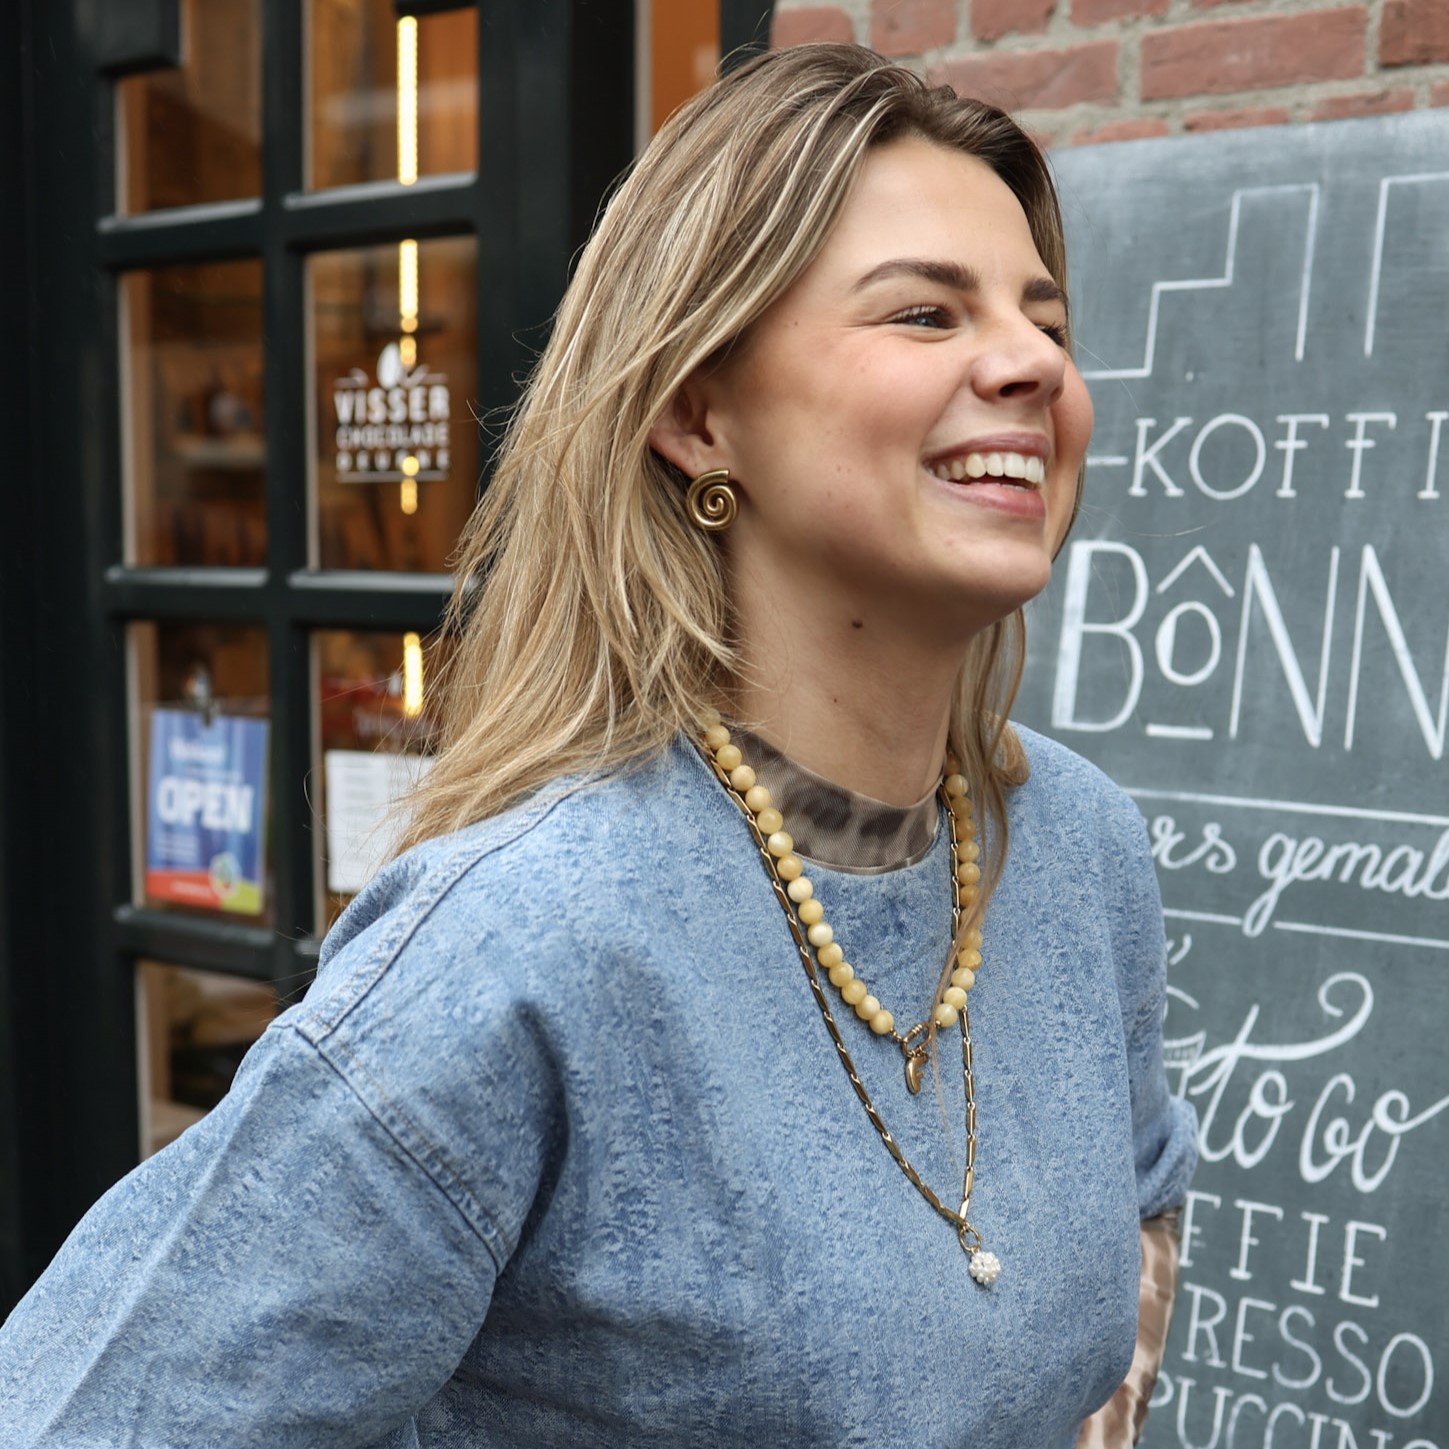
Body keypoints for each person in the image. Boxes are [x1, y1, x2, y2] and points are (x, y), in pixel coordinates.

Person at [0, 43, 1196, 1447]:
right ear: (697, 413)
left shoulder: (1078, 842)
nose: (1033, 362)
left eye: (1046, 319)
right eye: (925, 313)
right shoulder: (522, 939)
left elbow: (1140, 1201)